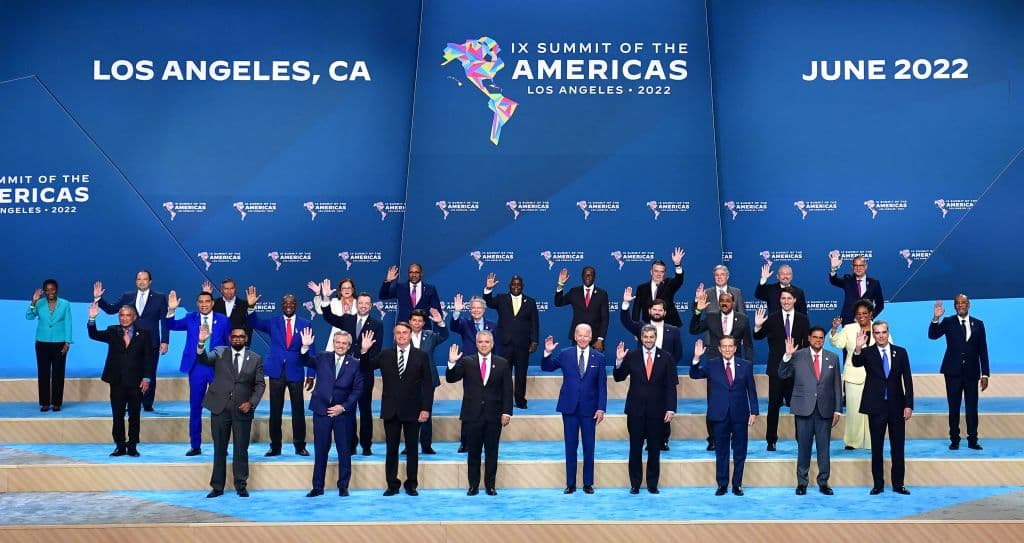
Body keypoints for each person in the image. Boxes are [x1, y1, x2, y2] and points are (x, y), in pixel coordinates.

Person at [358, 324, 434, 496]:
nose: (401, 336)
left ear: (410, 335)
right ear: (394, 336)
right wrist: (364, 351)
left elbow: (427, 385)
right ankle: (392, 484)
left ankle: (411, 484)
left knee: (412, 449)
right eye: (398, 333)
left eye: (404, 333)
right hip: (391, 410)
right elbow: (365, 367)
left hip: (414, 410)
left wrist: (426, 409)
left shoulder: (421, 355)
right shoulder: (385, 355)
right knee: (391, 449)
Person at [195, 326, 264, 498]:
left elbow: (260, 385)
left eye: (241, 336)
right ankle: (217, 487)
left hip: (243, 410)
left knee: (241, 449)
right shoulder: (219, 352)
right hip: (220, 408)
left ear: (246, 339)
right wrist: (201, 342)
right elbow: (203, 358)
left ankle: (241, 485)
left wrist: (251, 403)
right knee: (220, 449)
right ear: (230, 338)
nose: (238, 339)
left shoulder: (255, 358)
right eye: (235, 336)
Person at [540, 325, 608, 494]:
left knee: (588, 446)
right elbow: (547, 367)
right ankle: (570, 484)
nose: (583, 338)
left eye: (586, 336)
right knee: (570, 446)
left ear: (591, 337)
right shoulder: (565, 354)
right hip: (569, 407)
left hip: (590, 409)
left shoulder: (599, 357)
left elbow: (602, 386)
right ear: (575, 337)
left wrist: (601, 408)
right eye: (580, 335)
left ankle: (587, 483)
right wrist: (547, 353)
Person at [297, 328, 364, 497]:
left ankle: (343, 486)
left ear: (349, 346)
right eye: (337, 342)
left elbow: (357, 390)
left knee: (344, 451)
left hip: (343, 414)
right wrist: (304, 347)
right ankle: (318, 487)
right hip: (322, 411)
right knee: (321, 450)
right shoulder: (322, 357)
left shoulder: (355, 364)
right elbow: (304, 360)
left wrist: (343, 407)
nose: (340, 346)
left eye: (344, 343)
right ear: (333, 343)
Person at [246, 287, 312, 457]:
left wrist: (311, 374)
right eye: (285, 303)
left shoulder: (305, 324)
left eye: (291, 303)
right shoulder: (273, 322)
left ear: (296, 305)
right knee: (275, 411)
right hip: (276, 372)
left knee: (298, 411)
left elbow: (312, 350)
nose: (288, 306)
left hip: (296, 371)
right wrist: (251, 307)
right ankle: (275, 446)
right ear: (281, 306)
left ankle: (300, 446)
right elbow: (254, 323)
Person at [446, 332, 513, 495]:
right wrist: (451, 363)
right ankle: (473, 485)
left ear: (492, 343)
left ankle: (490, 485)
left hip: (494, 416)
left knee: (492, 452)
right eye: (480, 342)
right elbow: (451, 378)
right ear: (476, 344)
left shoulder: (502, 363)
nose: (483, 344)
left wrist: (507, 412)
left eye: (487, 342)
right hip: (472, 415)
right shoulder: (467, 362)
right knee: (473, 453)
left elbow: (507, 390)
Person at [319, 286, 383, 456]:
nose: (363, 306)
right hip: (347, 374)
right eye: (360, 303)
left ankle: (366, 445)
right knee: (348, 411)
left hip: (365, 373)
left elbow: (376, 353)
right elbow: (329, 317)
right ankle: (351, 444)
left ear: (371, 306)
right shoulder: (347, 319)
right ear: (357, 304)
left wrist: (364, 354)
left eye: (366, 303)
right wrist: (325, 300)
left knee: (365, 410)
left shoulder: (377, 325)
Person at [165, 290, 231, 456]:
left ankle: (221, 445)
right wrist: (172, 310)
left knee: (220, 408)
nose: (204, 304)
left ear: (212, 303)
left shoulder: (223, 320)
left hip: (217, 367)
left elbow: (230, 343)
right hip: (197, 367)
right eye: (200, 301)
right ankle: (195, 445)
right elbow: (171, 326)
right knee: (195, 407)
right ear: (197, 304)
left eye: (207, 301)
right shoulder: (190, 318)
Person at [690, 337, 758, 496]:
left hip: (740, 414)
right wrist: (696, 358)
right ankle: (722, 484)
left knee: (740, 451)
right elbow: (694, 374)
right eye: (724, 347)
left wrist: (754, 411)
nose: (727, 349)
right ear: (719, 349)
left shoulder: (746, 366)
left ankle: (737, 484)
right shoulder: (712, 365)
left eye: (730, 346)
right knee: (722, 451)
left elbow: (752, 390)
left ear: (735, 348)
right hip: (719, 415)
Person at [613, 327, 677, 494]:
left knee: (654, 449)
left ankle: (652, 484)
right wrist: (619, 361)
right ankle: (635, 484)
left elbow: (671, 386)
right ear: (641, 338)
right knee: (635, 448)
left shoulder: (666, 357)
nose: (648, 340)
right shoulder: (631, 356)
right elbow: (618, 377)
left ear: (656, 338)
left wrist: (671, 408)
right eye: (645, 337)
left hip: (657, 411)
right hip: (636, 411)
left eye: (651, 337)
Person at [852, 321, 914, 495]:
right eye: (877, 332)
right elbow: (856, 362)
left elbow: (907, 380)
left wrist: (909, 404)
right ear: (873, 333)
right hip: (876, 407)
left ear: (888, 333)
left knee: (898, 447)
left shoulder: (901, 352)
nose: (880, 335)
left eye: (883, 332)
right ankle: (878, 484)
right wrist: (857, 348)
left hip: (897, 407)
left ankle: (898, 484)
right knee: (877, 448)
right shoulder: (867, 352)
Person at [689, 284, 754, 450]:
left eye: (728, 301)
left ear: (733, 302)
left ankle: (732, 436)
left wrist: (749, 365)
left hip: (736, 365)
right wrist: (697, 311)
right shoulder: (711, 317)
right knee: (714, 402)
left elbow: (747, 344)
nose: (725, 303)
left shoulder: (743, 319)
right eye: (722, 301)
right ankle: (713, 439)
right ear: (718, 303)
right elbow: (693, 329)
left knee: (735, 401)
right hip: (715, 365)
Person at [778, 327, 842, 495]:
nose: (818, 340)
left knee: (824, 449)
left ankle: (823, 482)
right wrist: (787, 356)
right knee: (803, 448)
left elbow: (836, 385)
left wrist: (838, 410)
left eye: (821, 338)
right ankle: (802, 483)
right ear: (809, 338)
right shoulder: (798, 356)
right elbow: (782, 374)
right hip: (804, 409)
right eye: (815, 337)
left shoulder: (833, 358)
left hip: (825, 411)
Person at [94, 271, 169, 411]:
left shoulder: (160, 298)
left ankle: (147, 403)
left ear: (150, 281)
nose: (142, 282)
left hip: (151, 341)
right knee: (131, 371)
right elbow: (111, 309)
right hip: (130, 343)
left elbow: (164, 321)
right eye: (139, 279)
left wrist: (165, 340)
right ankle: (130, 402)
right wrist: (99, 299)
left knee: (150, 372)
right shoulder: (127, 296)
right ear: (135, 281)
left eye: (145, 279)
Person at [87, 303, 152, 457]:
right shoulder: (112, 331)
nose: (124, 318)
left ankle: (133, 446)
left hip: (136, 382)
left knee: (134, 415)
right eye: (121, 315)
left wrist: (147, 378)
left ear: (134, 317)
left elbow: (149, 358)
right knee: (118, 415)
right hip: (117, 380)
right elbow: (94, 334)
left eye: (128, 315)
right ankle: (120, 446)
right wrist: (91, 318)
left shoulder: (143, 334)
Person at [621, 289, 682, 450]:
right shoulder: (641, 327)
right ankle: (646, 439)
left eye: (660, 310)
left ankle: (663, 440)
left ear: (665, 312)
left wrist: (666, 367)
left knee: (663, 405)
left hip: (664, 374)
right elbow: (626, 322)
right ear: (649, 311)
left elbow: (678, 353)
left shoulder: (673, 330)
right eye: (654, 309)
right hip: (645, 373)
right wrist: (626, 304)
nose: (657, 312)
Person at [928, 295, 990, 450]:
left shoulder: (979, 324)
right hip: (952, 372)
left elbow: (983, 350)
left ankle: (973, 439)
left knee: (972, 407)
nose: (960, 305)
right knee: (954, 407)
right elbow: (933, 335)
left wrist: (985, 374)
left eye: (963, 303)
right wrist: (935, 318)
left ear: (969, 305)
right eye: (957, 303)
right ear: (954, 306)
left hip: (971, 372)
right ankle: (954, 439)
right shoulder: (948, 322)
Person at [752, 287, 810, 451]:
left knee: (799, 406)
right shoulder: (772, 318)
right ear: (780, 300)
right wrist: (757, 326)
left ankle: (802, 439)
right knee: (773, 405)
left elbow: (807, 344)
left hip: (797, 369)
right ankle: (771, 440)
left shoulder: (803, 319)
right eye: (783, 298)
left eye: (789, 298)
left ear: (794, 300)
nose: (786, 301)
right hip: (776, 369)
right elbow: (758, 336)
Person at [829, 300, 886, 450]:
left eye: (864, 314)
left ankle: (871, 442)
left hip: (875, 377)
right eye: (858, 314)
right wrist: (834, 329)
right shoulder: (849, 328)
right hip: (853, 376)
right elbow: (838, 343)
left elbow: (888, 346)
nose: (861, 317)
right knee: (854, 411)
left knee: (873, 411)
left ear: (871, 314)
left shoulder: (879, 328)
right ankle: (853, 441)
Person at [483, 273, 539, 409]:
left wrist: (534, 341)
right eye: (513, 284)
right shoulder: (501, 298)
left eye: (518, 284)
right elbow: (489, 302)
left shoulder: (530, 302)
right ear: (509, 286)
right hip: (504, 344)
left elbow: (535, 323)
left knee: (521, 374)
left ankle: (520, 400)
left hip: (523, 344)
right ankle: (503, 400)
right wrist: (488, 289)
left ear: (522, 286)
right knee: (503, 373)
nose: (516, 286)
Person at [449, 294, 497, 452]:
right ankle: (465, 442)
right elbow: (454, 326)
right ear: (469, 310)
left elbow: (497, 348)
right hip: (470, 367)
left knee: (488, 402)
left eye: (479, 308)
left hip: (489, 366)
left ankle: (486, 441)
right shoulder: (464, 323)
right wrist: (456, 312)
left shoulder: (493, 326)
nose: (476, 310)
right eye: (473, 308)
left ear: (484, 309)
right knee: (469, 403)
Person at [407, 308, 449, 454]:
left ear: (424, 323)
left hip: (427, 380)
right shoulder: (403, 336)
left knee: (426, 412)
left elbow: (444, 336)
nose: (417, 323)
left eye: (420, 321)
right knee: (410, 414)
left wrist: (441, 323)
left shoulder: (430, 335)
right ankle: (409, 445)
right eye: (414, 320)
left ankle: (426, 445)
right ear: (409, 322)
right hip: (409, 381)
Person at [26, 279, 72, 412]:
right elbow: (29, 316)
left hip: (60, 343)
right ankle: (45, 402)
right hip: (42, 343)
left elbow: (68, 323)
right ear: (44, 291)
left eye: (52, 289)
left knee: (58, 373)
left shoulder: (65, 304)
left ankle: (57, 403)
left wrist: (67, 342)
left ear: (57, 290)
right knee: (43, 372)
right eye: (47, 290)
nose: (50, 292)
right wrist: (33, 301)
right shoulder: (39, 304)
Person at [553, 266, 610, 351]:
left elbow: (605, 319)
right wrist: (560, 285)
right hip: (577, 337)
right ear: (582, 276)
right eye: (586, 275)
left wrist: (600, 339)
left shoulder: (602, 294)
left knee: (594, 363)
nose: (588, 277)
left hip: (595, 339)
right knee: (576, 363)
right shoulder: (574, 292)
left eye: (590, 275)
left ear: (594, 277)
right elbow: (558, 303)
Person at [629, 248, 686, 327]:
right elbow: (636, 310)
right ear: (651, 272)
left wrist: (677, 264)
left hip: (669, 326)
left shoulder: (669, 284)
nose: (659, 274)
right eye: (656, 271)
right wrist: (635, 329)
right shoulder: (642, 288)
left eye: (661, 272)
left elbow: (679, 280)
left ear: (664, 273)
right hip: (648, 328)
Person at [379, 263, 442, 328]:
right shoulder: (400, 288)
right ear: (408, 274)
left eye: (416, 272)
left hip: (424, 330)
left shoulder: (430, 289)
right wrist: (388, 281)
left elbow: (437, 311)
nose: (414, 275)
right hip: (403, 330)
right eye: (411, 272)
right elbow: (383, 295)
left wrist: (437, 333)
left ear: (421, 274)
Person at [829, 253, 884, 324]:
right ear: (852, 267)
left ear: (866, 266)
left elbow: (880, 304)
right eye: (856, 265)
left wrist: (871, 317)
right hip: (848, 322)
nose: (858, 268)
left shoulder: (874, 283)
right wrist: (834, 269)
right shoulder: (847, 280)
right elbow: (834, 281)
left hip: (865, 323)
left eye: (861, 265)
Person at [309, 277, 357, 350]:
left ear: (353, 290)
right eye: (344, 288)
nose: (346, 290)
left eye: (349, 288)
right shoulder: (335, 302)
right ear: (340, 291)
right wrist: (318, 294)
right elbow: (320, 310)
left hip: (353, 341)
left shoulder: (359, 303)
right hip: (335, 342)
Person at [205, 279, 251, 346]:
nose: (229, 291)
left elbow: (249, 327)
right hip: (217, 348)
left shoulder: (245, 305)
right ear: (221, 290)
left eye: (231, 288)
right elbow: (204, 318)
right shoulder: (213, 304)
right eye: (226, 288)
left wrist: (246, 346)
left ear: (235, 289)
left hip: (238, 346)